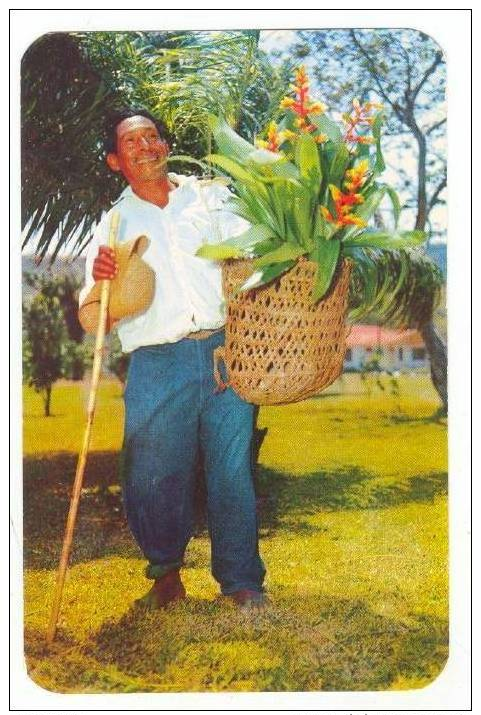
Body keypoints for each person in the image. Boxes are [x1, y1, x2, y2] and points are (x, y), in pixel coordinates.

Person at [79, 108, 266, 609]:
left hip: (226, 351)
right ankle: (165, 576)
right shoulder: (114, 224)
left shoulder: (211, 197)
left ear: (164, 145)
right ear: (115, 161)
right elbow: (91, 315)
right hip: (157, 363)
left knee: (233, 470)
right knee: (156, 474)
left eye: (152, 136)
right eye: (131, 142)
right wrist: (104, 282)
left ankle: (243, 582)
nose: (145, 146)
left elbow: (256, 253)